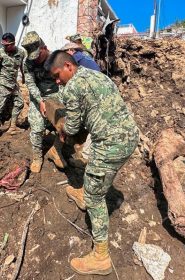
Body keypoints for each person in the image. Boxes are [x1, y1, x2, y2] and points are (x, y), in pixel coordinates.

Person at [44, 50, 139, 275]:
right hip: (129, 136)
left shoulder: (73, 88)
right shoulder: (97, 74)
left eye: (57, 75)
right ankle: (86, 191)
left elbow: (73, 126)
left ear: (68, 66)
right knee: (95, 173)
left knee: (96, 198)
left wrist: (62, 130)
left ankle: (101, 257)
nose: (57, 81)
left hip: (111, 145)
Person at [21, 31, 67, 173]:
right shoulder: (28, 63)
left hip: (57, 93)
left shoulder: (56, 59)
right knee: (36, 127)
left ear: (44, 48)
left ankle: (56, 150)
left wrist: (63, 101)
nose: (35, 59)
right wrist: (40, 101)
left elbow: (64, 82)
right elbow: (30, 84)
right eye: (32, 57)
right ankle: (37, 157)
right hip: (38, 95)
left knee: (65, 125)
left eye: (38, 55)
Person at [0, 33, 25, 135]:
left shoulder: (21, 52)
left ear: (13, 43)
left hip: (13, 84)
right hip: (3, 84)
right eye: (3, 45)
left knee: (20, 103)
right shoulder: (1, 53)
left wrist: (23, 76)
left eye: (6, 45)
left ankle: (13, 127)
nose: (4, 47)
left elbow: (22, 66)